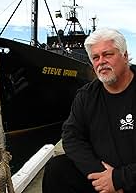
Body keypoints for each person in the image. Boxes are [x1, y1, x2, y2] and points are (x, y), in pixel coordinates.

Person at [42, 28, 136, 193]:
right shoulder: (87, 96)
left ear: (125, 56)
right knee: (57, 169)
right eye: (95, 57)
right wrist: (101, 175)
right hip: (102, 178)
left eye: (107, 54)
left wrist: (119, 179)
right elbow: (71, 137)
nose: (101, 61)